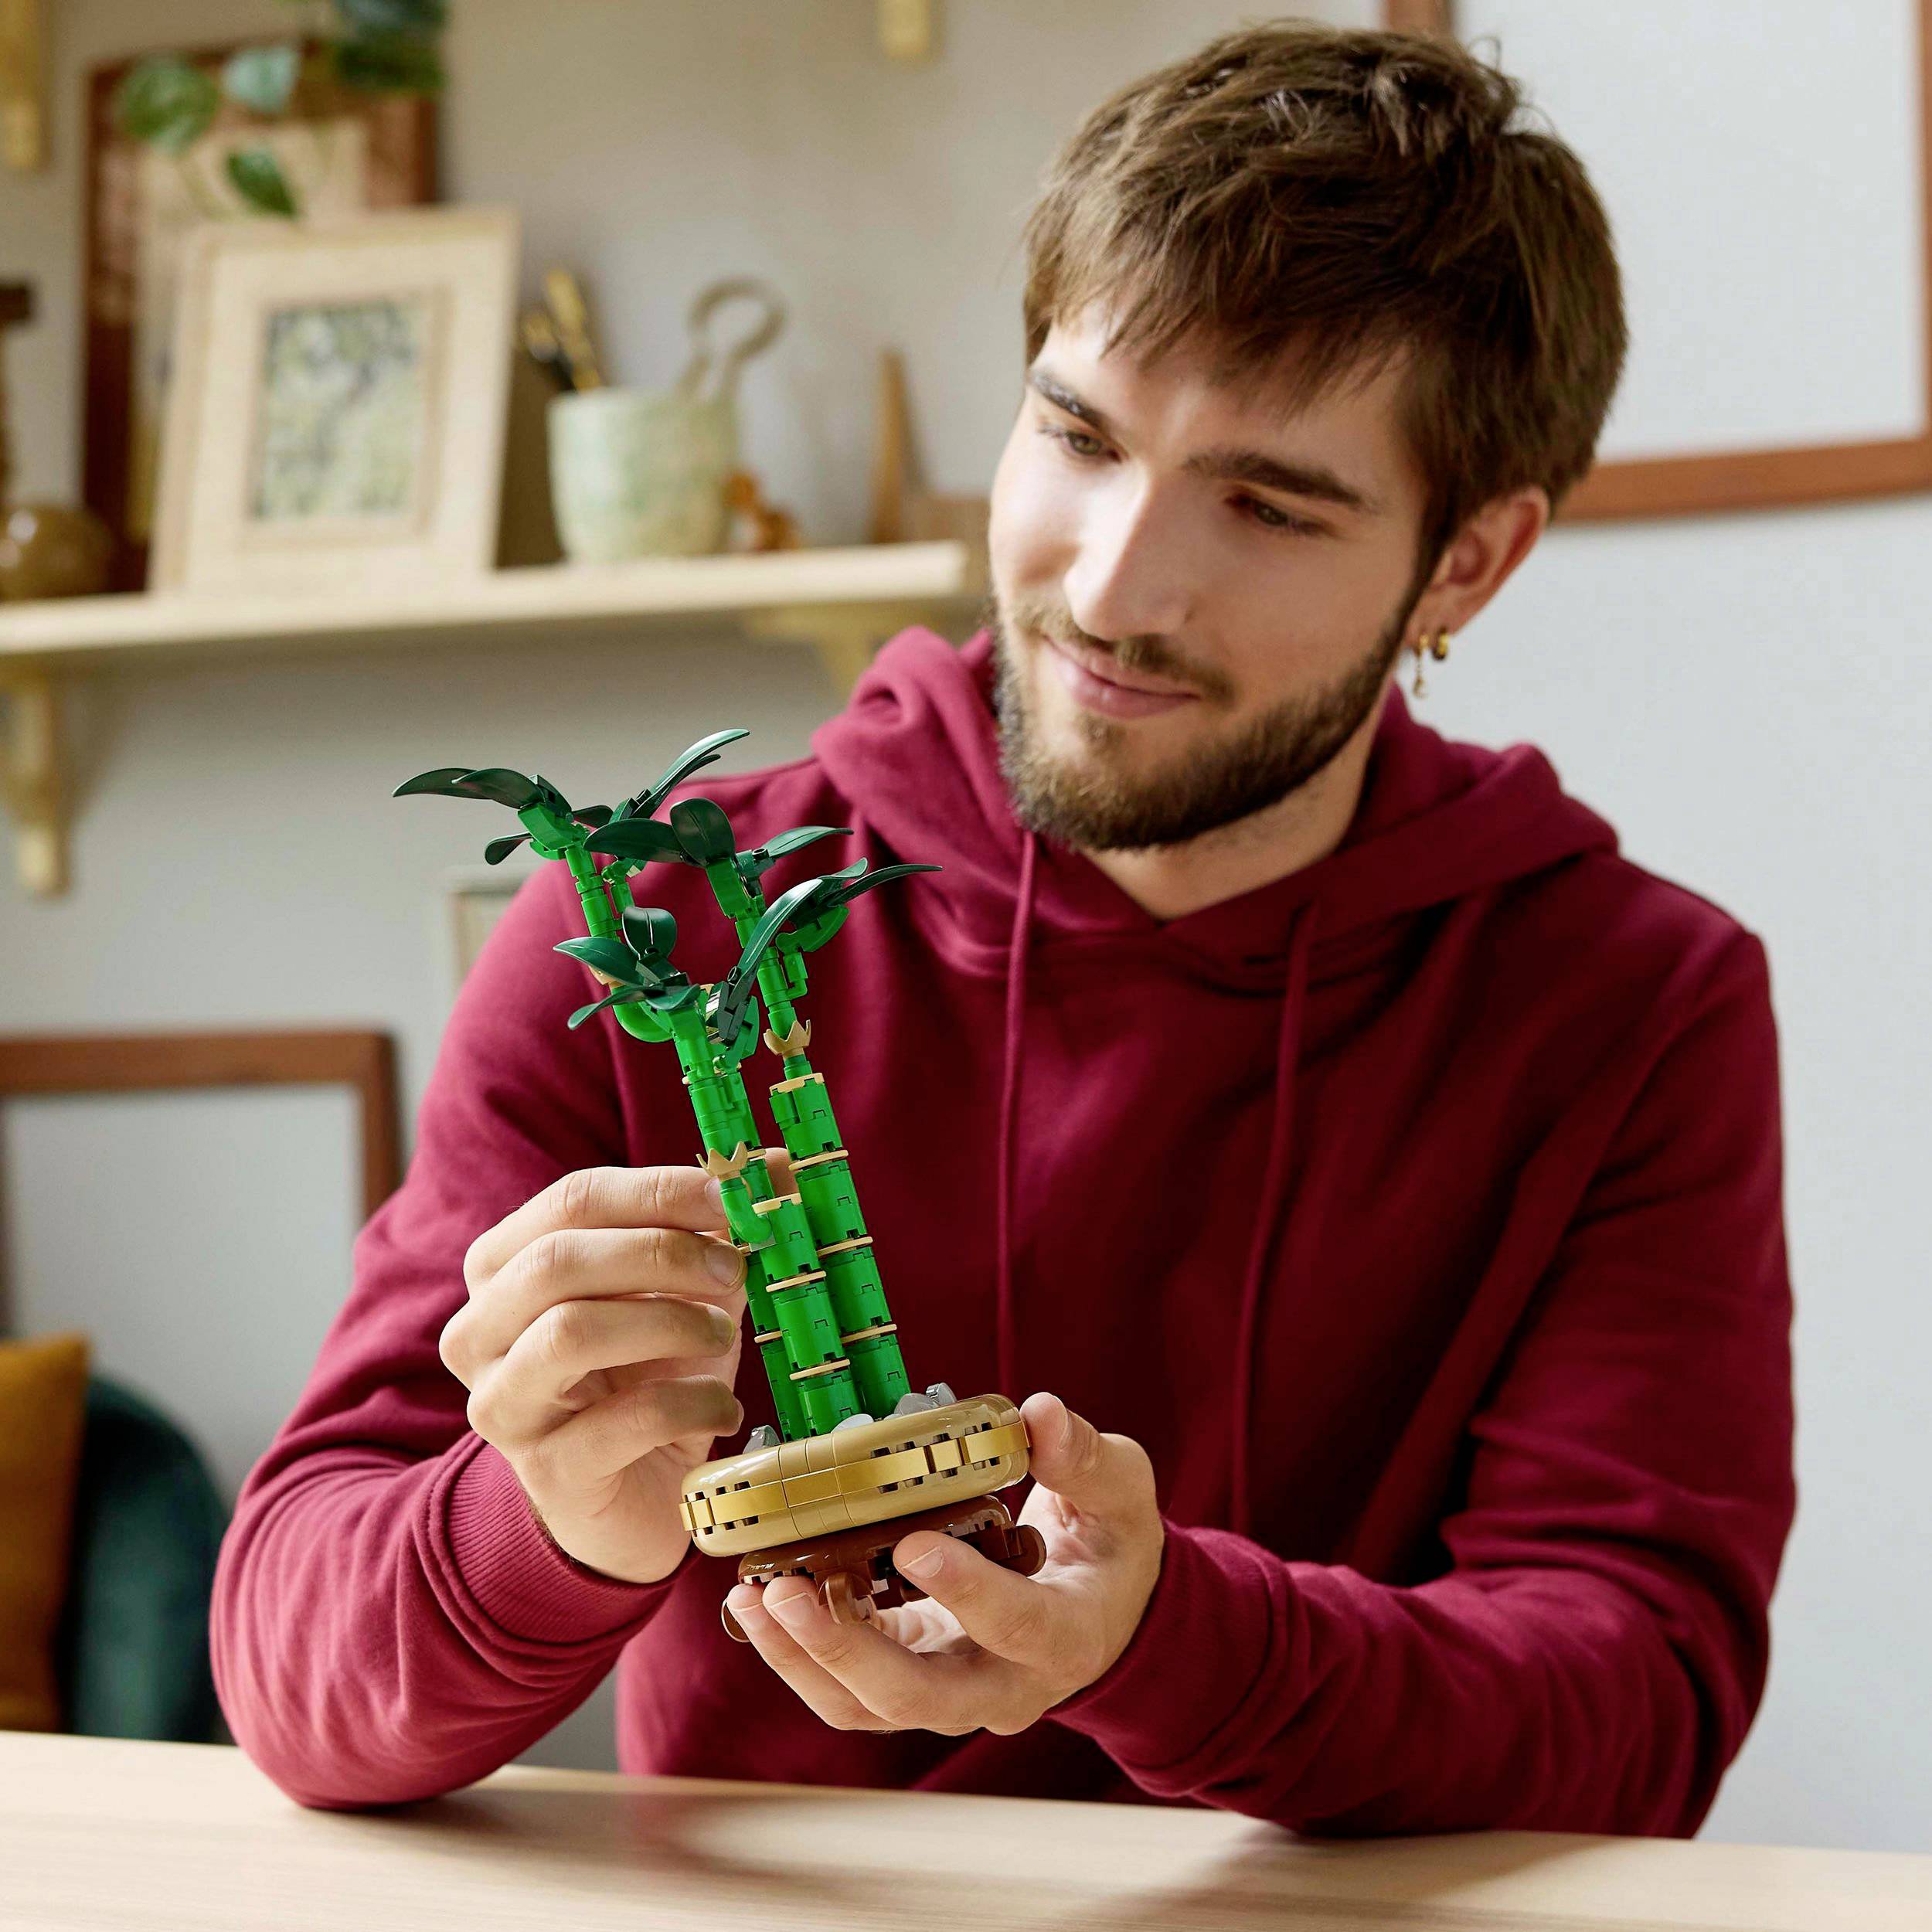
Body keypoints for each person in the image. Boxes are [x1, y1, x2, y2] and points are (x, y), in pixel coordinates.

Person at [213, 21, 1794, 1836]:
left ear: (1465, 562)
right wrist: (540, 1517)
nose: (1113, 587)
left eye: (1267, 505)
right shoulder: (651, 930)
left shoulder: (1629, 1000)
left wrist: (1170, 1640)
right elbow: (291, 1669)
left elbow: (1635, 1688)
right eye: (1076, 434)